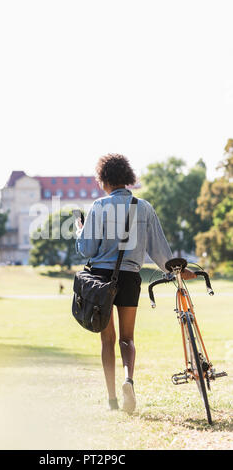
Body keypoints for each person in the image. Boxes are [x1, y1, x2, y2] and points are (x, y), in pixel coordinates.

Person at [75, 154, 196, 414]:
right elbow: (159, 250)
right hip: (130, 278)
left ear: (104, 179)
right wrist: (177, 270)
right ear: (126, 177)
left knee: (108, 340)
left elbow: (87, 249)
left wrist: (79, 229)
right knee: (127, 338)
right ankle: (129, 380)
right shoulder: (144, 207)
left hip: (100, 280)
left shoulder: (99, 206)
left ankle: (111, 400)